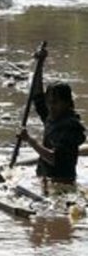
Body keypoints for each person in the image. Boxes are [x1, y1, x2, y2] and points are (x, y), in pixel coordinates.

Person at [17, 48, 85, 194]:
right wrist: (40, 64)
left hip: (63, 185)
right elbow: (37, 95)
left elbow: (56, 160)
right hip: (46, 180)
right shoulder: (51, 117)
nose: (51, 106)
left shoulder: (70, 126)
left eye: (55, 102)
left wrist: (30, 141)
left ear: (67, 103)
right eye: (49, 102)